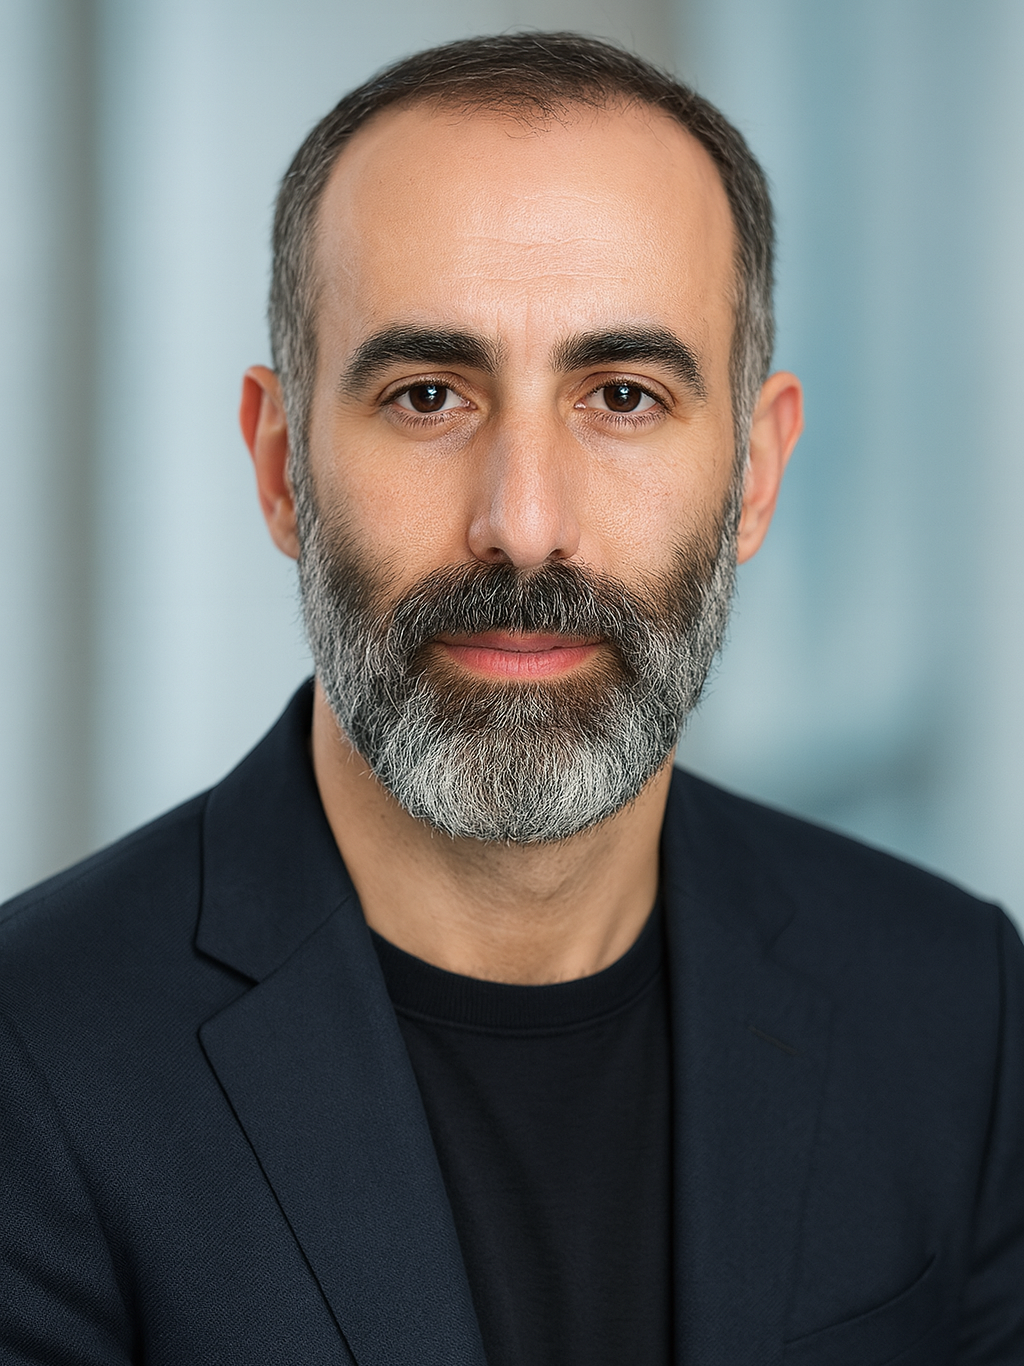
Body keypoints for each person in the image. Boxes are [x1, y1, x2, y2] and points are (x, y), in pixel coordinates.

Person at [1, 30, 1021, 1366]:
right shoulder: (32, 1056)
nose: (525, 525)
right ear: (281, 465)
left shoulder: (956, 1006)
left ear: (757, 474)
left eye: (623, 396)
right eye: (428, 395)